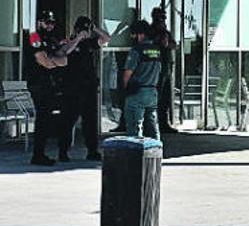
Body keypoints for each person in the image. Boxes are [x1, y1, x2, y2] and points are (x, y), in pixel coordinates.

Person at [25, 11, 80, 166]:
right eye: (46, 22)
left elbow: (64, 54)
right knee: (43, 119)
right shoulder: (34, 37)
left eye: (52, 23)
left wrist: (77, 40)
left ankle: (58, 151)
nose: (50, 25)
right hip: (39, 84)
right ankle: (38, 155)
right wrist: (57, 61)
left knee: (55, 117)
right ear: (39, 22)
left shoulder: (50, 38)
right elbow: (45, 62)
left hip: (52, 84)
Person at [59, 16, 110, 161]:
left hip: (89, 88)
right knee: (68, 121)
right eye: (83, 29)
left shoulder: (89, 43)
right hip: (72, 88)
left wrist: (94, 28)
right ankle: (63, 151)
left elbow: (106, 39)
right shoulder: (68, 42)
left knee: (90, 121)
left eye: (86, 30)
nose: (85, 32)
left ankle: (92, 151)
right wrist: (77, 38)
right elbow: (66, 51)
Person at [122, 20, 161, 140]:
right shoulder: (156, 50)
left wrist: (124, 88)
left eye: (134, 34)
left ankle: (136, 154)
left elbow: (128, 72)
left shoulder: (136, 50)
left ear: (140, 34)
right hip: (152, 91)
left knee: (134, 126)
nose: (132, 37)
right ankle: (156, 151)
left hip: (137, 92)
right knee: (153, 125)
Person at [150, 7, 178, 134]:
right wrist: (157, 43)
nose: (162, 20)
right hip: (155, 68)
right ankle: (151, 124)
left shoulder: (165, 32)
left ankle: (164, 123)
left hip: (166, 67)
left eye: (163, 18)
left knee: (165, 97)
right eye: (160, 17)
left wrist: (167, 44)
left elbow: (173, 45)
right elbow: (148, 47)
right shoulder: (151, 31)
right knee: (155, 97)